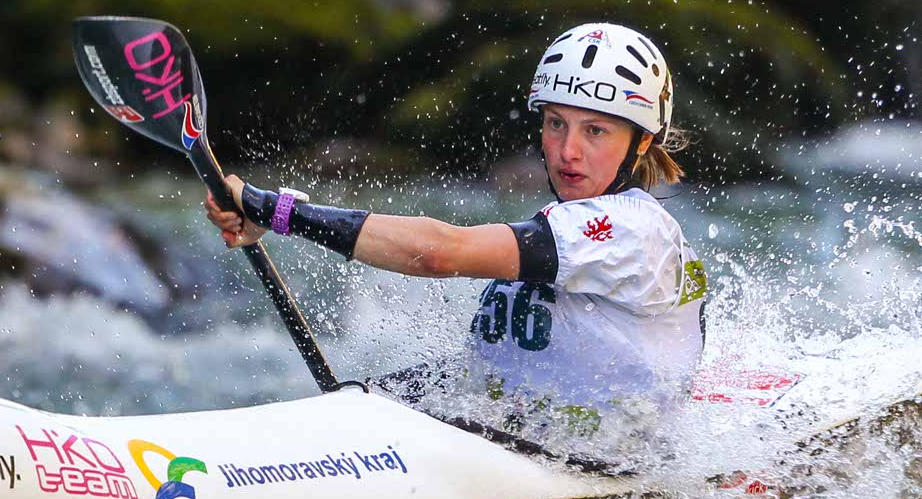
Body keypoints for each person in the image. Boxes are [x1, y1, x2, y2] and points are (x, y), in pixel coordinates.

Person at [205, 22, 709, 428]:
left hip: (603, 465)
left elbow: (439, 254)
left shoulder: (634, 232)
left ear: (642, 142)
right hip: (525, 439)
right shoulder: (571, 222)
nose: (567, 150)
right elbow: (491, 375)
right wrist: (370, 401)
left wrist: (274, 208)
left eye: (595, 130)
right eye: (556, 122)